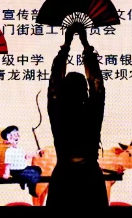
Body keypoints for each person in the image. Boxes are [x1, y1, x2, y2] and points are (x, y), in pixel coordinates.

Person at [45, 23, 107, 207]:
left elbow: (54, 81)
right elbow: (97, 85)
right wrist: (85, 45)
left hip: (64, 176)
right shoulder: (92, 111)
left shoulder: (58, 112)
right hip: (90, 177)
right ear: (85, 92)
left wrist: (66, 46)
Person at [1, 125, 43, 203]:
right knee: (34, 174)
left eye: (17, 134)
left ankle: (23, 181)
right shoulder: (9, 151)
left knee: (37, 169)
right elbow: (7, 164)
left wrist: (35, 153)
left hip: (23, 168)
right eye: (12, 136)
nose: (15, 137)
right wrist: (6, 173)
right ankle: (31, 188)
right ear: (6, 141)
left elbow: (26, 156)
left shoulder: (20, 149)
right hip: (16, 171)